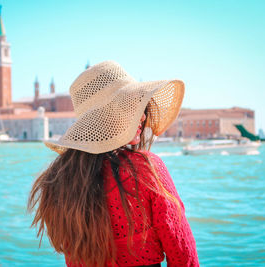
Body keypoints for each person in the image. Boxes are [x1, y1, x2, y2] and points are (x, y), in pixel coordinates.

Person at [28, 61, 199, 267]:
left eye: (140, 106)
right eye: (131, 107)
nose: (143, 116)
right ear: (108, 118)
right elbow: (183, 255)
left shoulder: (60, 179)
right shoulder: (145, 169)